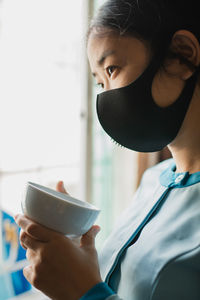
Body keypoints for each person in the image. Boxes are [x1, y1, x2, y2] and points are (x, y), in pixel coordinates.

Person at [15, 0, 200, 299]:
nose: (106, 99)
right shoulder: (152, 181)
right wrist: (76, 263)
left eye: (112, 69)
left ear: (182, 54)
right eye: (100, 83)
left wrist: (84, 292)